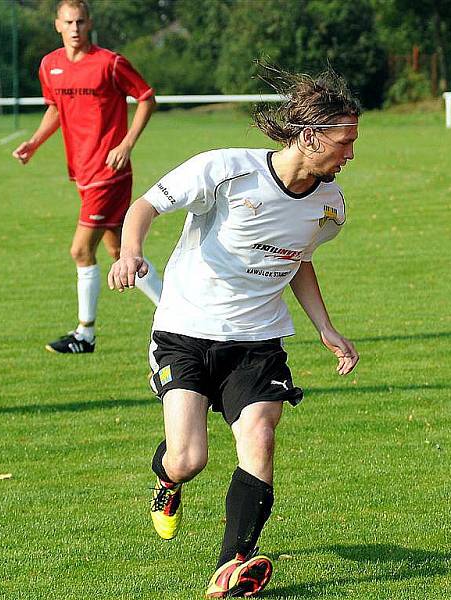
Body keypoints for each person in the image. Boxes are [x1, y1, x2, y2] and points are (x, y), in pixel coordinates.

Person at [107, 65, 361, 598]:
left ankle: (232, 564)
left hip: (259, 340)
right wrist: (131, 252)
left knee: (260, 438)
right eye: (345, 142)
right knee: (188, 459)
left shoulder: (330, 206)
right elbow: (144, 205)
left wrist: (326, 328)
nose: (351, 155)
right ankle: (168, 482)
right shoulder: (223, 169)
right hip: (186, 331)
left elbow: (299, 261)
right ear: (310, 136)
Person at [12, 0, 161, 354]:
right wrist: (34, 142)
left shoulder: (110, 63)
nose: (75, 27)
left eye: (81, 21)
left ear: (89, 23)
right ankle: (181, 313)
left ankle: (85, 334)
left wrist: (126, 144)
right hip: (82, 171)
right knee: (118, 251)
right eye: (69, 22)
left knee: (81, 250)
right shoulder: (50, 66)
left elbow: (146, 97)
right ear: (57, 25)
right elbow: (55, 109)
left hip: (109, 173)